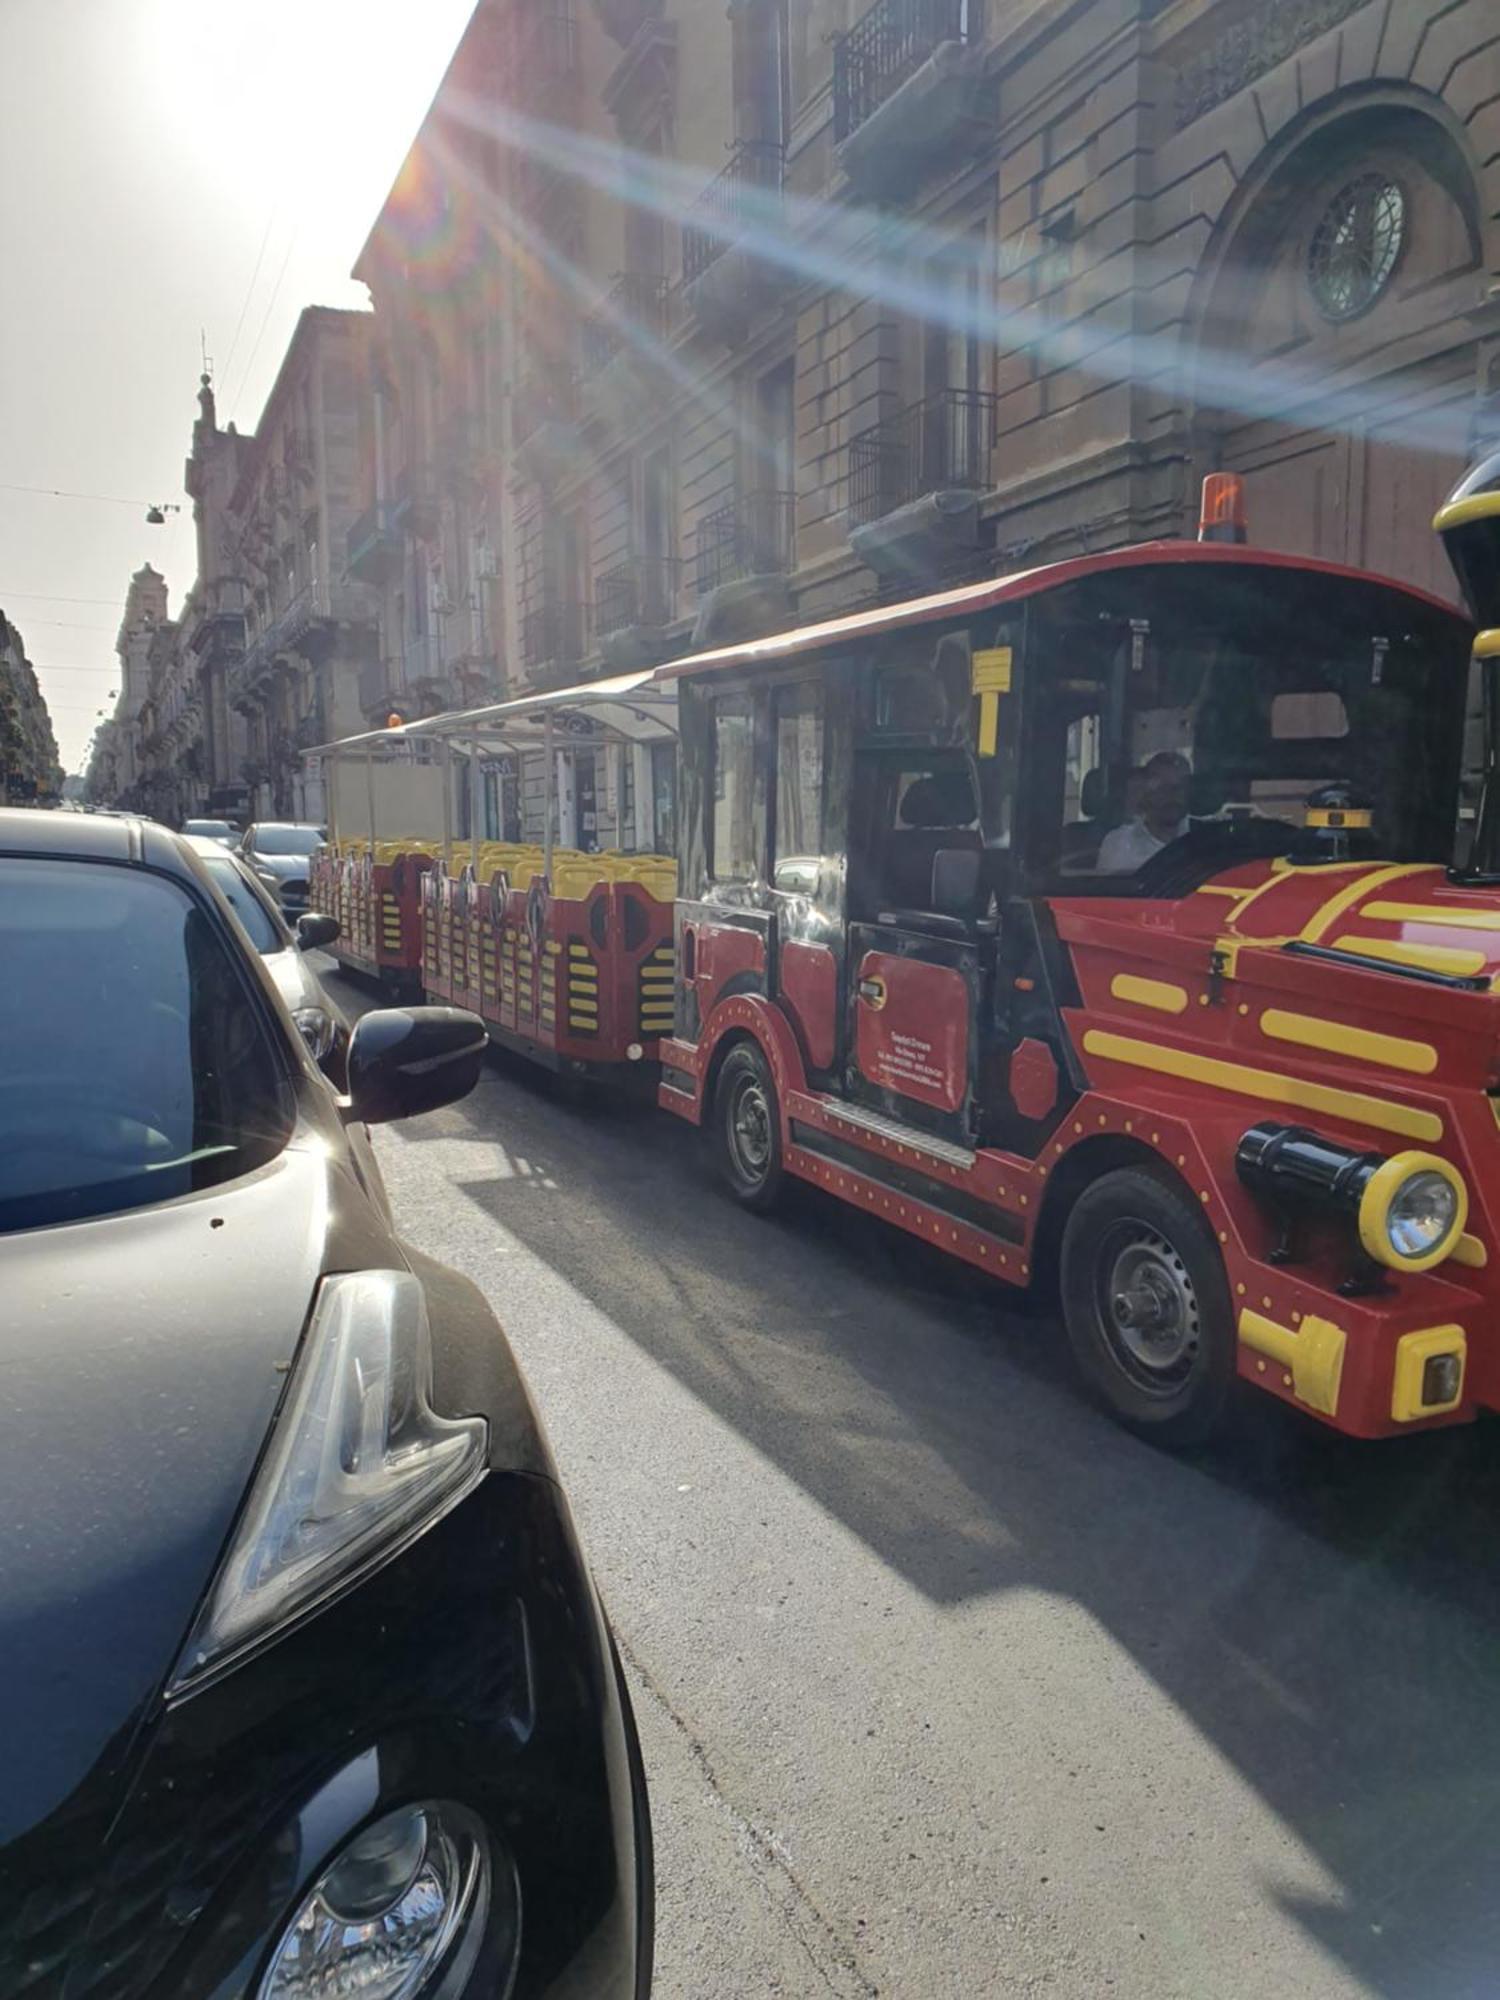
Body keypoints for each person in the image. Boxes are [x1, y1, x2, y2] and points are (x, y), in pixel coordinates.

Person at [1097, 750, 1191, 873]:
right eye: (1161, 787)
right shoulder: (1119, 845)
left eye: (1179, 787)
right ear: (1145, 793)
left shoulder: (1205, 839)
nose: (1172, 795)